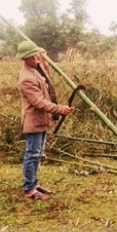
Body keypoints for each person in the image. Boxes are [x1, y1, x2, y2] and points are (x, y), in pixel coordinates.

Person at [16, 40, 74, 200]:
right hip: (34, 120)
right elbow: (39, 102)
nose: (37, 58)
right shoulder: (26, 78)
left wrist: (44, 58)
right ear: (26, 58)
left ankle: (34, 183)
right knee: (32, 154)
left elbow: (46, 76)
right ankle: (29, 189)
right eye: (34, 56)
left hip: (43, 119)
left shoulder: (36, 67)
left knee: (38, 153)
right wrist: (59, 109)